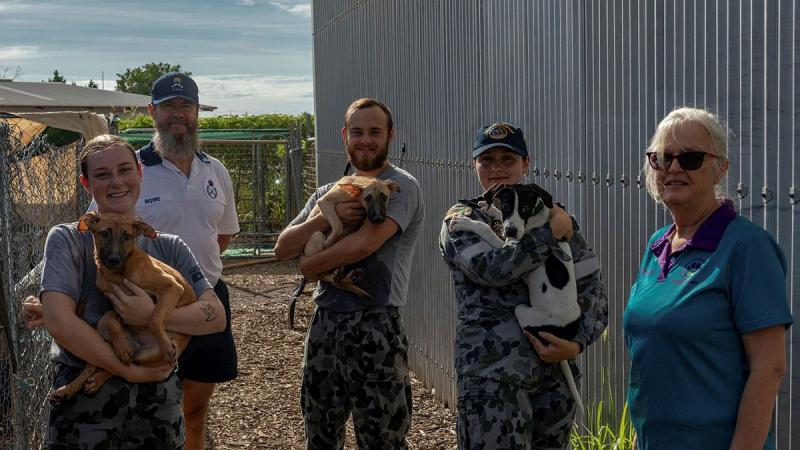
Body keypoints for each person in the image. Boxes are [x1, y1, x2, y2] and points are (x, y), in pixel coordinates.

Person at [24, 72, 240, 450]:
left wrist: (151, 316)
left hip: (156, 408)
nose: (116, 182)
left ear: (139, 174)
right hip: (85, 413)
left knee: (197, 413)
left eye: (124, 171)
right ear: (87, 185)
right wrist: (124, 369)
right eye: (102, 175)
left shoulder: (170, 245)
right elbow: (60, 320)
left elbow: (216, 312)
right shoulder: (69, 239)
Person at [623, 107, 792, 450]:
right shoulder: (657, 245)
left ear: (720, 169)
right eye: (663, 158)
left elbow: (769, 368)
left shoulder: (747, 248)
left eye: (691, 158)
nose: (673, 168)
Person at [439, 122, 608, 449]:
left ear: (526, 164)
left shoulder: (554, 215)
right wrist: (549, 235)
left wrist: (577, 343)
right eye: (486, 160)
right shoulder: (462, 219)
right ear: (474, 164)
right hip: (492, 380)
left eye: (508, 159)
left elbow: (591, 285)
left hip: (554, 378)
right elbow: (492, 269)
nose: (497, 168)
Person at [274, 98, 424, 449]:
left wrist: (310, 266)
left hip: (376, 324)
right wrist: (327, 217)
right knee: (320, 432)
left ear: (390, 135)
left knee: (382, 437)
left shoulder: (399, 187)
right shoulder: (329, 192)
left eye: (375, 132)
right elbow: (282, 247)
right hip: (325, 323)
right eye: (357, 132)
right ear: (345, 136)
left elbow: (362, 246)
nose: (366, 140)